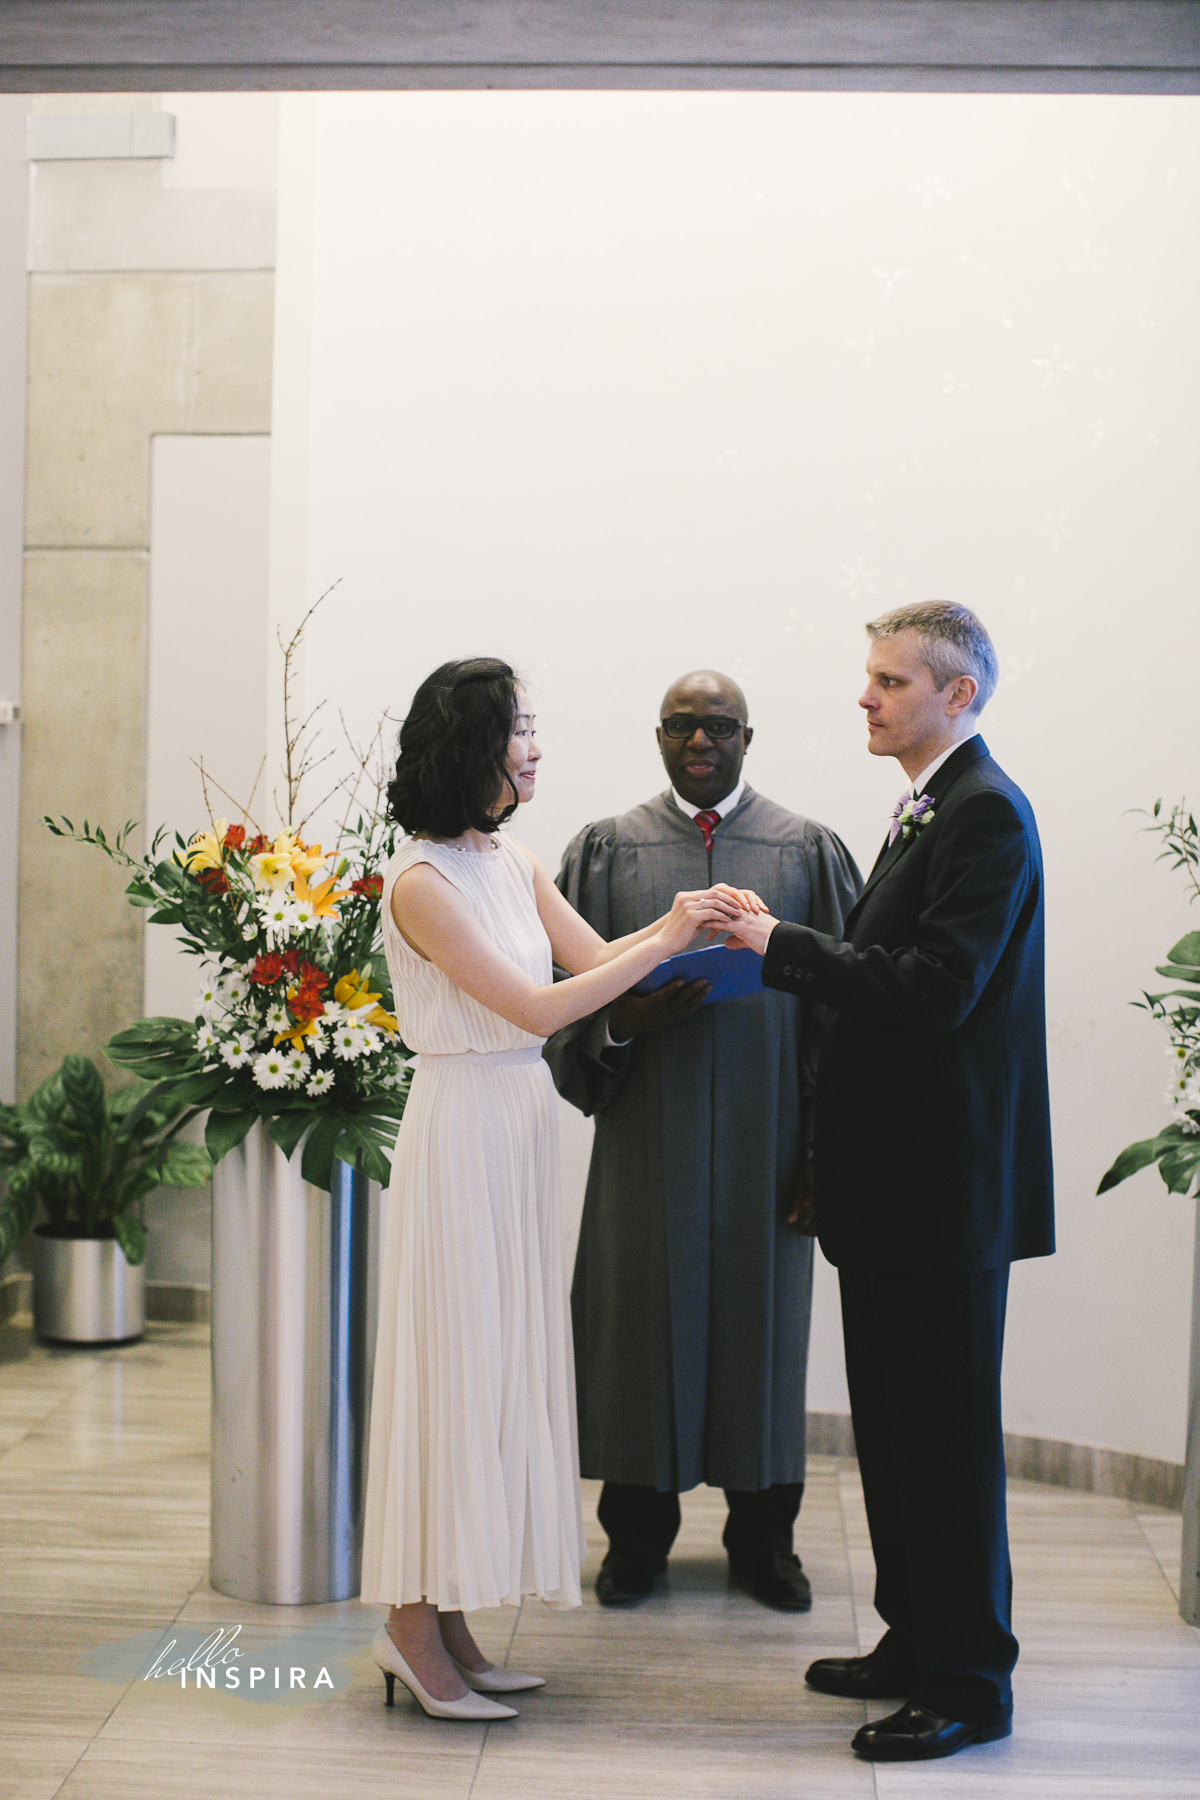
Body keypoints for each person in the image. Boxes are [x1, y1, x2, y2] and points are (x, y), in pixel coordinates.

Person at [360, 657, 750, 1721]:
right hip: (461, 1133)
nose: (535, 747)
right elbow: (538, 1008)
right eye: (519, 729)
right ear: (471, 746)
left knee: (500, 1370)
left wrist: (693, 925)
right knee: (455, 1368)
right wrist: (667, 935)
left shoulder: (514, 860)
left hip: (520, 1127)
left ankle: (451, 1625)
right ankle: (408, 1623)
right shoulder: (421, 882)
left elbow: (596, 959)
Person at [724, 603, 1054, 1762]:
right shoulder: (935, 808)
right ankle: (916, 1640)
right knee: (899, 1436)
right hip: (897, 1190)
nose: (865, 698)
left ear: (957, 695)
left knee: (947, 1447)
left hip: (945, 1193)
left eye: (890, 681)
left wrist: (782, 945)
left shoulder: (988, 816)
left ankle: (970, 1683)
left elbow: (937, 988)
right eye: (868, 677)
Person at [545, 670, 860, 1609]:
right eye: (682, 726)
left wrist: (822, 1154)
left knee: (765, 1333)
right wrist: (626, 1022)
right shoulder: (604, 852)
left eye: (718, 726)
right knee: (639, 1328)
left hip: (772, 1145)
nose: (700, 742)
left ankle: (765, 1543)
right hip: (649, 1140)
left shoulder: (806, 851)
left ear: (747, 737)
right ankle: (635, 1540)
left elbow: (846, 1014)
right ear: (658, 735)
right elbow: (553, 1002)